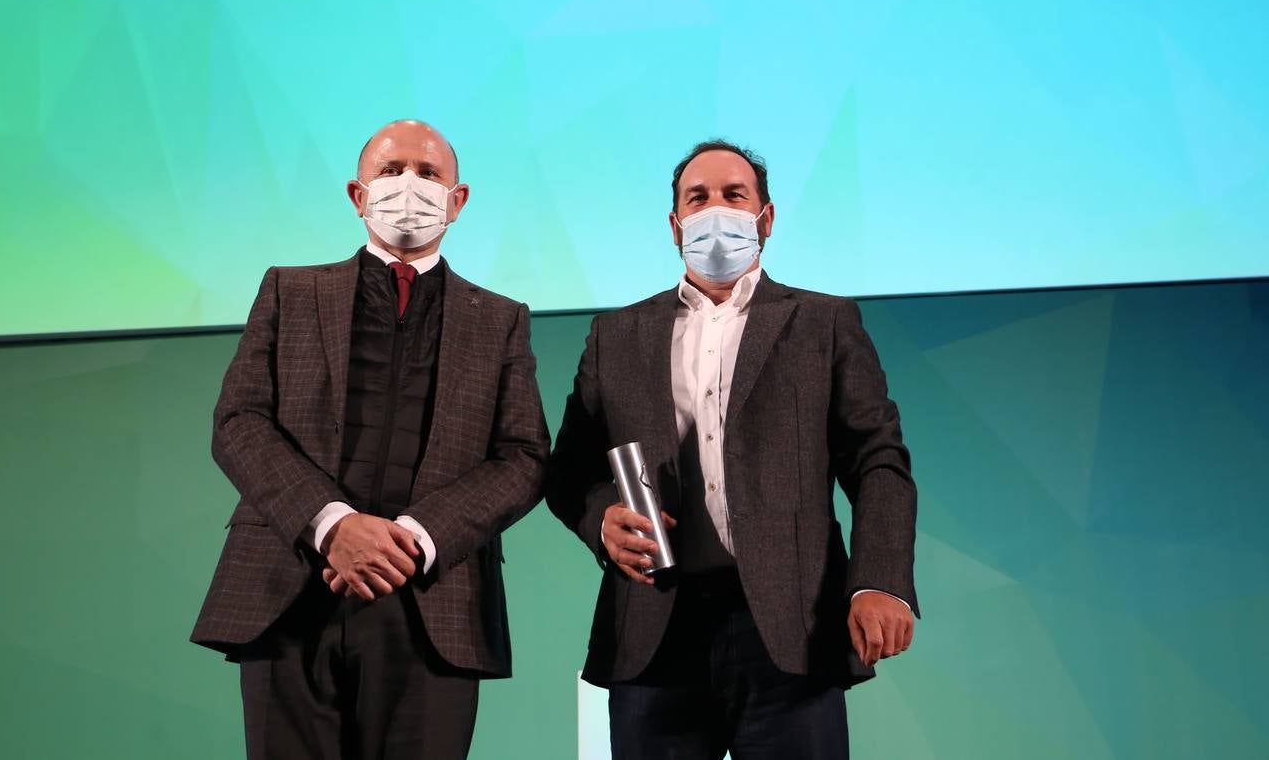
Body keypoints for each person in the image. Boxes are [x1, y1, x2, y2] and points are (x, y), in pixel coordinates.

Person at [546, 140, 919, 759]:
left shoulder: (823, 323)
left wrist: (880, 581)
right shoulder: (615, 336)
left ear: (765, 219)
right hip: (653, 628)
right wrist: (600, 519)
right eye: (698, 198)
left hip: (790, 626)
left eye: (733, 195)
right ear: (675, 226)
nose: (715, 209)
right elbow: (569, 470)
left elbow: (879, 461)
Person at [191, 120, 549, 759]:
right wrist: (333, 525)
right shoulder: (289, 290)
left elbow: (523, 457)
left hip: (430, 605)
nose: (408, 185)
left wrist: (411, 538)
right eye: (390, 171)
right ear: (358, 195)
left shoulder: (501, 319)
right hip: (289, 591)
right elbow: (239, 420)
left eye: (429, 173)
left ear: (458, 200)